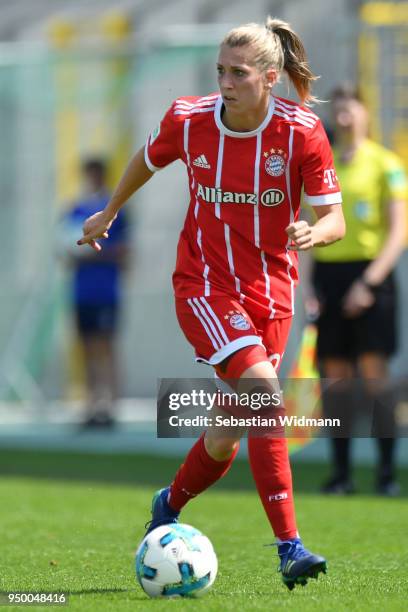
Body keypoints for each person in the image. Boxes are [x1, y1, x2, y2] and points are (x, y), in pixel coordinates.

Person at [77, 17, 345, 589]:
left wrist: (314, 234)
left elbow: (335, 219)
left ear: (270, 78)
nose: (224, 81)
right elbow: (146, 160)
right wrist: (110, 211)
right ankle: (289, 546)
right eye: (220, 70)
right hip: (204, 284)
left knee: (232, 426)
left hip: (272, 294)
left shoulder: (301, 132)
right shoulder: (189, 119)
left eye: (238, 73)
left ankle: (168, 503)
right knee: (267, 398)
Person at [302, 85, 407, 496]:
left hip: (371, 277)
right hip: (329, 277)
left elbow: (397, 232)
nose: (344, 117)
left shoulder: (386, 164)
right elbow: (310, 226)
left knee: (376, 377)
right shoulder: (322, 163)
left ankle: (386, 475)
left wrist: (369, 283)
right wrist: (307, 285)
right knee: (336, 378)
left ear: (364, 114)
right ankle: (341, 475)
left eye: (351, 110)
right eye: (339, 111)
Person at [64, 158, 130, 428]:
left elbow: (125, 253)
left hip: (106, 291)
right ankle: (91, 406)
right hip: (82, 292)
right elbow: (67, 250)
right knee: (87, 349)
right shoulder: (76, 209)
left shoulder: (116, 211)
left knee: (106, 348)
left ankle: (110, 406)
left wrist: (90, 254)